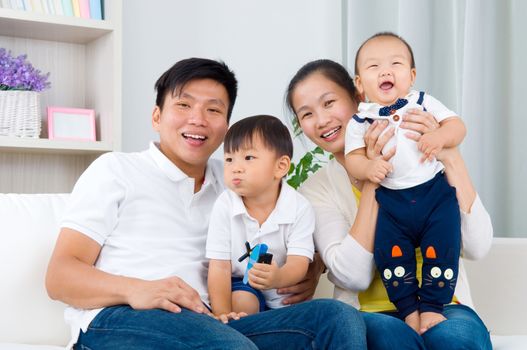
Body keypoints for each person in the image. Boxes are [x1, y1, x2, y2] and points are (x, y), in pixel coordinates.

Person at [44, 57, 367, 350]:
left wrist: (310, 269)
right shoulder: (116, 170)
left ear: (226, 126)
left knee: (337, 318)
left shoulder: (237, 180)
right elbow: (60, 277)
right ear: (157, 116)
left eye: (213, 110)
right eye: (183, 105)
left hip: (214, 320)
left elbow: (291, 220)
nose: (197, 119)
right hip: (122, 318)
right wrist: (136, 290)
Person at [285, 58, 493, 350]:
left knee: (454, 340)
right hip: (369, 313)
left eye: (329, 102)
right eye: (306, 114)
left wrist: (449, 155)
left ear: (359, 96)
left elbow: (478, 246)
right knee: (391, 340)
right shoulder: (316, 188)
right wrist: (372, 174)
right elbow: (352, 275)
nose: (321, 120)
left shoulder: (423, 153)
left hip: (445, 305)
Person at [345, 32, 466, 333]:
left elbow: (457, 126)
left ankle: (433, 307)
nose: (385, 71)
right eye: (373, 67)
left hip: (434, 195)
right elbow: (353, 159)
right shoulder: (360, 121)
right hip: (392, 202)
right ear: (360, 84)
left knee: (443, 246)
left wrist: (439, 136)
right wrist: (369, 166)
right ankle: (409, 309)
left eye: (395, 63)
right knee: (389, 253)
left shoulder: (423, 103)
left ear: (411, 76)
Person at [206, 115, 315, 322]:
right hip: (242, 283)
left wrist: (278, 278)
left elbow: (299, 262)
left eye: (248, 158)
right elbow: (219, 266)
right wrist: (221, 314)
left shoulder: (299, 207)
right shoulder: (225, 204)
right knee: (243, 301)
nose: (235, 167)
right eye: (229, 159)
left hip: (283, 291)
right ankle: (238, 330)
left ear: (280, 166)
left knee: (304, 316)